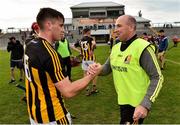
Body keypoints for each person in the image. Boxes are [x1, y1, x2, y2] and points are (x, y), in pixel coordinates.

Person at [24, 8, 97, 124]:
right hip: (53, 116)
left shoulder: (30, 44)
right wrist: (92, 74)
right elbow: (68, 91)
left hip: (35, 114)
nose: (63, 30)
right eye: (61, 25)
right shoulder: (51, 54)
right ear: (49, 25)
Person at [87, 15, 164, 124]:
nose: (115, 30)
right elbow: (107, 69)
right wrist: (97, 69)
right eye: (115, 26)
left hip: (137, 104)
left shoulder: (143, 47)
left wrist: (145, 104)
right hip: (123, 100)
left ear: (131, 27)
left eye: (119, 26)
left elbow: (157, 77)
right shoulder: (115, 48)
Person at [74, 28, 99, 96]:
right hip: (91, 59)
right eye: (90, 31)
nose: (90, 32)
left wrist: (80, 51)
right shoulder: (91, 39)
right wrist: (92, 51)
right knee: (94, 73)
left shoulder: (80, 40)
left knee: (85, 74)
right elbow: (94, 45)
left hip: (84, 59)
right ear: (88, 32)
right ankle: (94, 88)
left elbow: (74, 46)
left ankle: (87, 90)